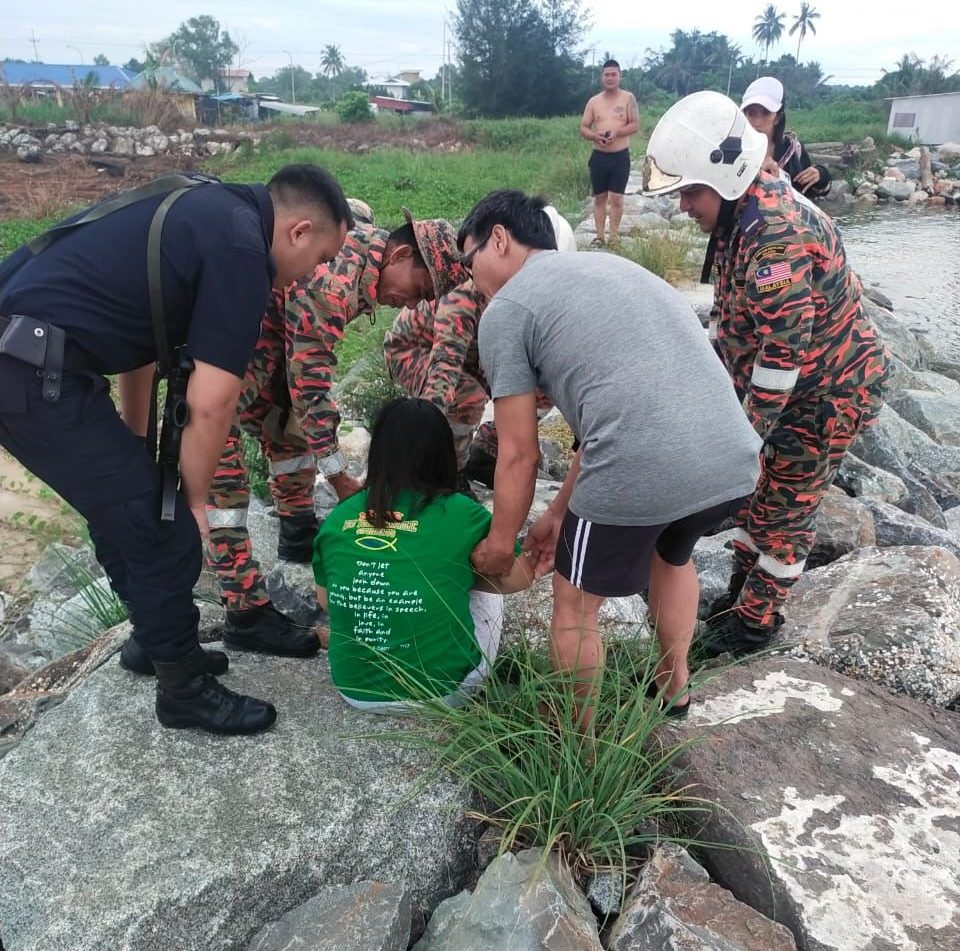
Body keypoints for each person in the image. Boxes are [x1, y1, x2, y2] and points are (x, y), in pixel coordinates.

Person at [0, 164, 352, 735]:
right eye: (320, 258)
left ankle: (153, 641)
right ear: (298, 230)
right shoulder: (242, 250)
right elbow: (213, 402)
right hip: (32, 368)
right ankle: (184, 689)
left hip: (31, 354)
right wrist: (187, 505)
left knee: (126, 509)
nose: (310, 275)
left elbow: (142, 336)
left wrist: (137, 447)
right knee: (160, 528)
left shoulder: (209, 204)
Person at [459, 190, 762, 722]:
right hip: (730, 456)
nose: (471, 279)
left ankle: (583, 752)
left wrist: (500, 548)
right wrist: (556, 515)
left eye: (470, 260)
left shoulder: (507, 310)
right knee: (672, 555)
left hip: (643, 465)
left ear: (500, 239)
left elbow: (518, 456)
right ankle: (674, 692)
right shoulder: (609, 268)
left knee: (575, 604)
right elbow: (603, 427)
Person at [642, 90, 889, 657]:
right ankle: (742, 592)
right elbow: (731, 323)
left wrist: (743, 438)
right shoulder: (742, 215)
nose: (683, 207)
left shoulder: (775, 232)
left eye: (689, 192)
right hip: (794, 386)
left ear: (723, 179)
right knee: (756, 501)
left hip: (830, 391)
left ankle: (755, 623)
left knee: (786, 510)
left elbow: (782, 354)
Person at [204, 208, 466, 654]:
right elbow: (310, 381)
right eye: (417, 291)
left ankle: (296, 528)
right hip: (214, 387)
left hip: (256, 361)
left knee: (290, 429)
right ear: (400, 253)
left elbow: (300, 393)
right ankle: (244, 610)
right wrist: (341, 479)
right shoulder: (335, 281)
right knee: (225, 492)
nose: (408, 306)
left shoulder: (364, 253)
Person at [313, 398, 532, 712]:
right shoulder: (463, 514)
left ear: (377, 453)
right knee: (485, 593)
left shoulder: (339, 517)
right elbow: (519, 579)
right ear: (444, 454)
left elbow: (325, 601)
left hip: (354, 690)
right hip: (443, 691)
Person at [382, 206, 577, 484]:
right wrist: (426, 428)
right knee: (468, 397)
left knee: (542, 388)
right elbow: (445, 364)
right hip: (415, 349)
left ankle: (487, 452)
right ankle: (451, 473)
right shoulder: (466, 291)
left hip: (475, 352)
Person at [580, 60, 639, 247]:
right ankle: (600, 236)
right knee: (599, 198)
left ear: (620, 76)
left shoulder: (628, 98)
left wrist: (617, 132)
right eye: (607, 74)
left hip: (620, 156)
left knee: (617, 198)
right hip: (599, 156)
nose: (610, 78)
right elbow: (584, 127)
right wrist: (594, 136)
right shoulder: (594, 101)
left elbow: (635, 125)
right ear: (602, 77)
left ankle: (613, 236)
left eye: (614, 74)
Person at [741, 77, 831, 199]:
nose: (757, 122)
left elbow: (810, 193)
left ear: (777, 117)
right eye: (751, 113)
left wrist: (821, 175)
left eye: (766, 113)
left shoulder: (792, 151)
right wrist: (755, 171)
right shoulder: (734, 151)